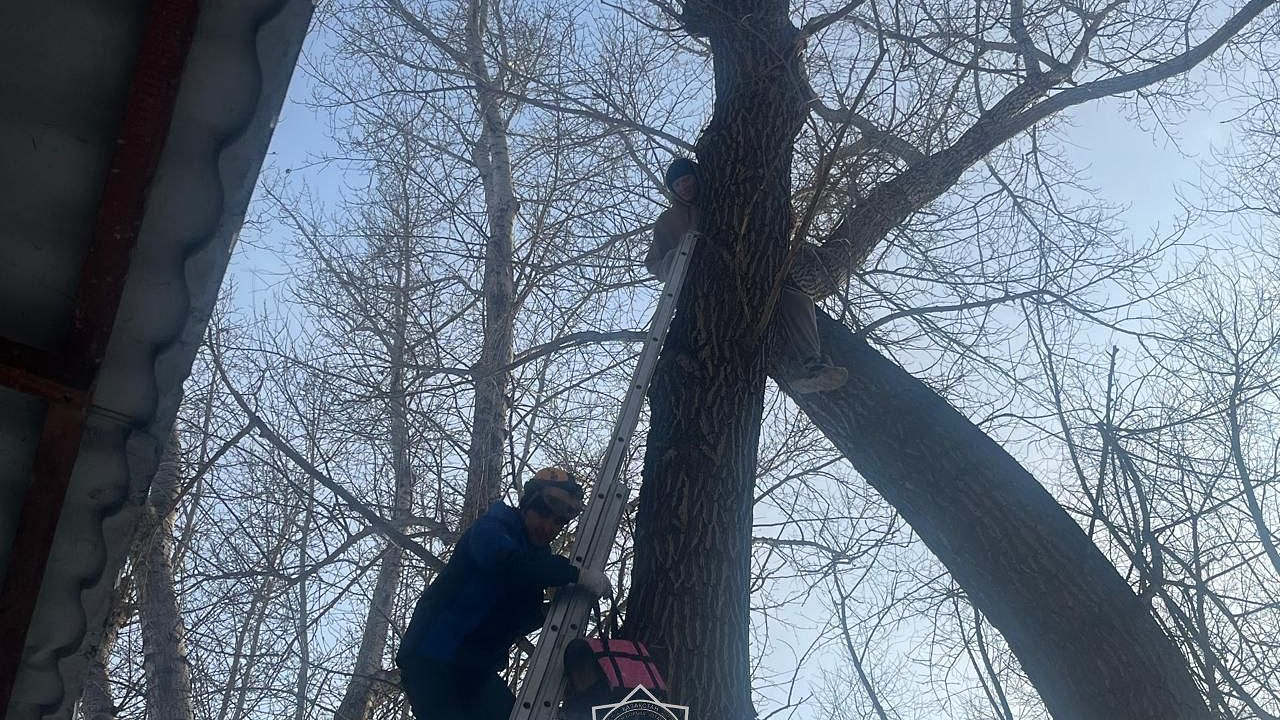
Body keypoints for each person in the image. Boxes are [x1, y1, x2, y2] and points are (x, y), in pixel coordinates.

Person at [396, 467, 612, 720]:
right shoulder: (497, 525)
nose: (548, 527)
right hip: (434, 658)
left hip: (475, 669)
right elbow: (502, 561)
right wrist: (576, 574)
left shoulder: (537, 558)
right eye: (542, 515)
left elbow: (519, 617)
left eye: (557, 522)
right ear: (527, 504)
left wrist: (553, 610)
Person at [645, 158, 848, 393]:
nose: (684, 187)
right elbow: (654, 263)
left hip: (747, 273)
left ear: (697, 177)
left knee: (798, 301)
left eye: (687, 179)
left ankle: (811, 366)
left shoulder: (725, 198)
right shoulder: (668, 221)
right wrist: (674, 260)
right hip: (704, 288)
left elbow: (772, 222)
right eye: (678, 184)